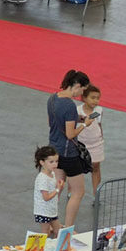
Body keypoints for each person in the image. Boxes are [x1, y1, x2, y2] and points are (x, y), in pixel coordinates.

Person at [47, 69, 93, 226]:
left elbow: (52, 122)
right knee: (78, 192)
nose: (81, 94)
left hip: (54, 150)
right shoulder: (69, 105)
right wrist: (84, 125)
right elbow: (70, 134)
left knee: (57, 189)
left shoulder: (52, 98)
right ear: (77, 86)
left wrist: (77, 119)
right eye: (82, 90)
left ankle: (52, 224)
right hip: (69, 154)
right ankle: (68, 227)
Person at [33, 146, 64, 238]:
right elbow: (46, 197)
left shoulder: (52, 173)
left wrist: (58, 185)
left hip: (51, 210)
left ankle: (55, 245)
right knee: (45, 233)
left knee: (58, 231)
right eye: (51, 162)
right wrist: (57, 189)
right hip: (43, 211)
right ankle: (42, 247)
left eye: (56, 161)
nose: (55, 164)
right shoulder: (42, 179)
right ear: (42, 162)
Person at [78, 85, 105, 191]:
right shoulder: (77, 110)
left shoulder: (99, 110)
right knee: (77, 169)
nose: (96, 101)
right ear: (84, 98)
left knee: (96, 168)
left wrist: (101, 137)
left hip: (96, 144)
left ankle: (96, 193)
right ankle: (74, 191)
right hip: (81, 144)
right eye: (92, 98)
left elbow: (99, 124)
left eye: (98, 98)